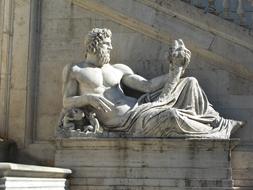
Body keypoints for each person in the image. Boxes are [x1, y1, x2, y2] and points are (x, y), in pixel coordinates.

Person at [60, 28, 244, 138]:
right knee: (172, 116)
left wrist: (175, 68)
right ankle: (214, 129)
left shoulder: (118, 68)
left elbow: (147, 86)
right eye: (107, 44)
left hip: (141, 108)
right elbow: (66, 102)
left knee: (189, 82)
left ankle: (218, 123)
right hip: (124, 121)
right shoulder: (76, 69)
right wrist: (88, 98)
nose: (111, 47)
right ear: (95, 45)